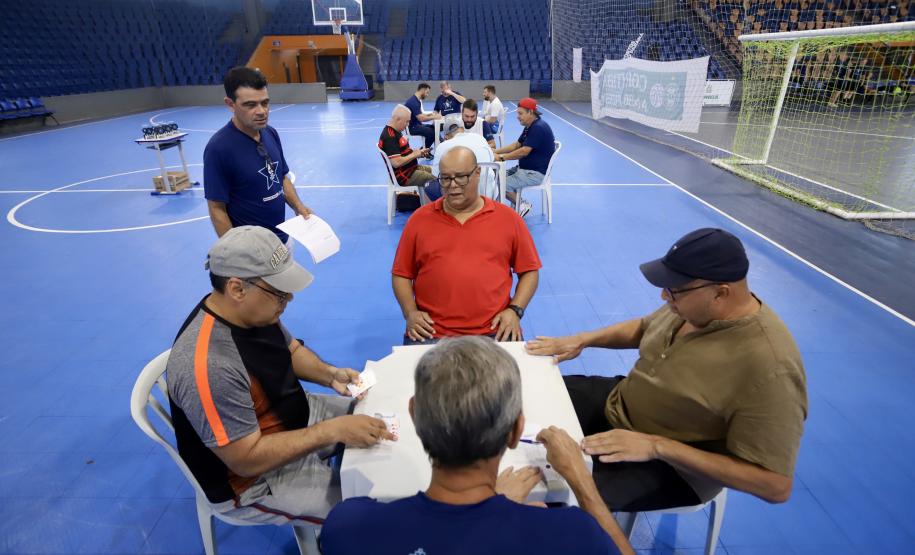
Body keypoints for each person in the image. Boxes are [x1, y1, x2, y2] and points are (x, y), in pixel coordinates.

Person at [527, 228, 808, 512]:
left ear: (721, 293)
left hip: (672, 467)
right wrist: (584, 339)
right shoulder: (690, 306)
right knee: (526, 396)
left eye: (674, 290)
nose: (664, 296)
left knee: (546, 497)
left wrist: (656, 446)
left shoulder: (771, 367)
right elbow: (644, 327)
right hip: (622, 403)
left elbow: (775, 485)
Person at [320, 337, 634, 555]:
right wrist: (581, 480)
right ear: (515, 431)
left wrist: (492, 511)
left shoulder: (349, 527)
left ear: (415, 417)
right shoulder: (572, 534)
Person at [166, 226, 396, 524]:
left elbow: (290, 351)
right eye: (278, 292)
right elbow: (245, 460)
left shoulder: (251, 311)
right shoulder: (211, 366)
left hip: (293, 416)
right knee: (369, 516)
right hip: (255, 480)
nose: (289, 298)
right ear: (237, 288)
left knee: (383, 414)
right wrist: (332, 430)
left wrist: (329, 374)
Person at [392, 147, 541, 344]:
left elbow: (530, 271)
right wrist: (410, 313)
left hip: (496, 331)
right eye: (445, 179)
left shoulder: (509, 219)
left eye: (461, 177)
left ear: (477, 173)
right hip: (431, 333)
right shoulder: (418, 220)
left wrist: (515, 310)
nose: (452, 185)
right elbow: (401, 274)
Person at [204, 67, 312, 244]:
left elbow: (281, 178)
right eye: (250, 105)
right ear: (230, 104)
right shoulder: (219, 149)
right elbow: (217, 209)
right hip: (252, 252)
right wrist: (237, 253)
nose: (262, 111)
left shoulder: (270, 133)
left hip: (282, 239)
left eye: (265, 102)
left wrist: (298, 206)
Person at [493, 97, 556, 218]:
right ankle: (517, 205)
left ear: (531, 112)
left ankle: (522, 205)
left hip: (534, 173)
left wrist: (501, 158)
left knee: (500, 183)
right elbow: (517, 145)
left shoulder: (538, 128)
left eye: (520, 113)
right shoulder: (530, 126)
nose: (517, 116)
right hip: (524, 169)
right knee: (495, 177)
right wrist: (496, 151)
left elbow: (523, 151)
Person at [379, 105, 436, 202]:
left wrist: (418, 152)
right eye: (407, 121)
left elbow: (402, 153)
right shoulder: (389, 137)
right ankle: (434, 210)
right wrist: (415, 155)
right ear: (397, 119)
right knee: (435, 181)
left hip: (410, 169)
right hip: (404, 176)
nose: (408, 124)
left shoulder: (396, 131)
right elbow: (396, 162)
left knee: (436, 171)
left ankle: (428, 204)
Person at [430, 121, 498, 200]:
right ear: (462, 129)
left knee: (431, 188)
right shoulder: (480, 138)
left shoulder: (442, 147)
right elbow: (492, 160)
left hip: (459, 198)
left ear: (446, 137)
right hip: (488, 193)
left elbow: (435, 176)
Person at [404, 82, 441, 149]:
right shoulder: (413, 102)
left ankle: (439, 144)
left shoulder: (416, 100)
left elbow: (420, 114)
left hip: (416, 125)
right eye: (427, 92)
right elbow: (421, 118)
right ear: (423, 90)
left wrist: (429, 114)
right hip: (412, 128)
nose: (427, 95)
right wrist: (435, 117)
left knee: (434, 128)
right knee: (433, 134)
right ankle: (423, 152)